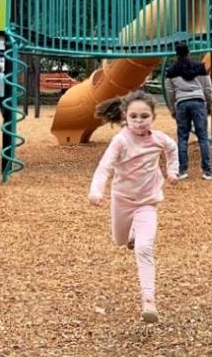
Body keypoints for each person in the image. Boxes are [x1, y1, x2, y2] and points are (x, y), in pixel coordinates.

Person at [88, 90, 179, 324]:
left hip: (148, 201)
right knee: (119, 240)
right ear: (125, 117)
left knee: (144, 248)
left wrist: (172, 171)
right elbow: (105, 167)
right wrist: (96, 191)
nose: (139, 121)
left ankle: (149, 300)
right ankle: (130, 235)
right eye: (134, 117)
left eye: (144, 116)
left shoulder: (158, 138)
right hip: (122, 199)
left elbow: (172, 149)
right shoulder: (121, 141)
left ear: (153, 117)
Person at [165, 42, 212, 180]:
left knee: (182, 137)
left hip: (181, 103)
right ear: (189, 53)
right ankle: (207, 171)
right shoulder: (200, 67)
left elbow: (170, 92)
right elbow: (208, 89)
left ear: (176, 54)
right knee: (203, 137)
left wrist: (172, 108)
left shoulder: (171, 71)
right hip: (198, 101)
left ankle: (182, 170)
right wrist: (210, 105)